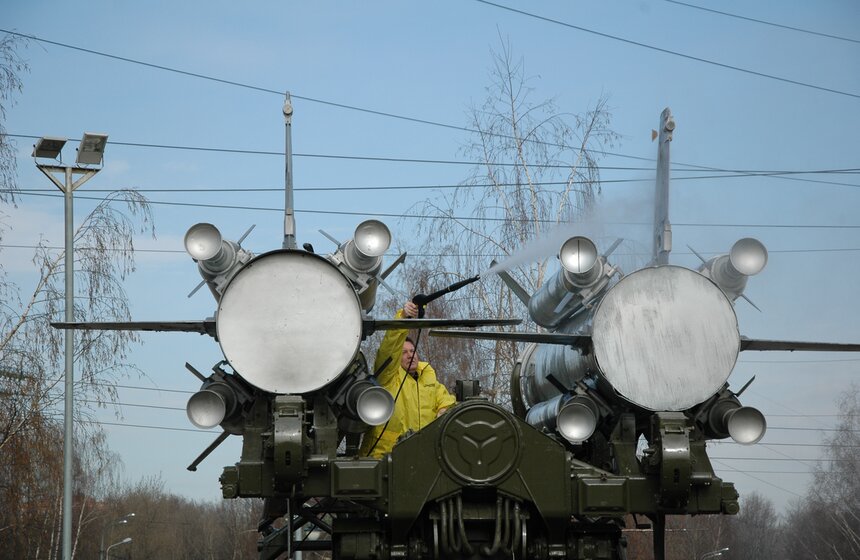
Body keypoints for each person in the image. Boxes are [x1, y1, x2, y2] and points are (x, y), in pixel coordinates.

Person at [359, 300, 456, 458]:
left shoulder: (429, 379)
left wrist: (443, 410)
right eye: (404, 352)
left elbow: (448, 401)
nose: (410, 354)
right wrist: (403, 317)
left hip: (422, 457)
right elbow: (389, 348)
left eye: (412, 350)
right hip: (385, 457)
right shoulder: (389, 377)